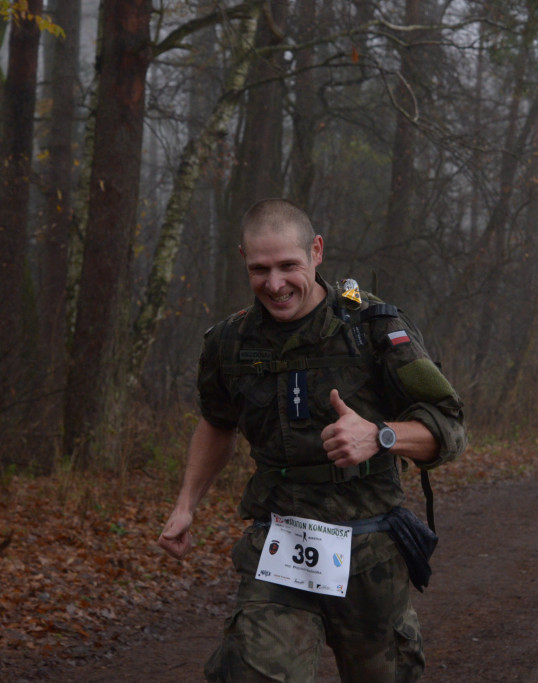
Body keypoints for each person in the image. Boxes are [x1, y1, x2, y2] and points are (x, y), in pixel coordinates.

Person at [157, 198, 467, 681]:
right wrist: (185, 504)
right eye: (260, 269)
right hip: (280, 546)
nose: (275, 284)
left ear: (316, 251)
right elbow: (217, 422)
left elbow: (449, 427)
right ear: (243, 259)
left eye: (288, 266)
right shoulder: (229, 342)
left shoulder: (373, 328)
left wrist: (380, 436)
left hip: (370, 552)